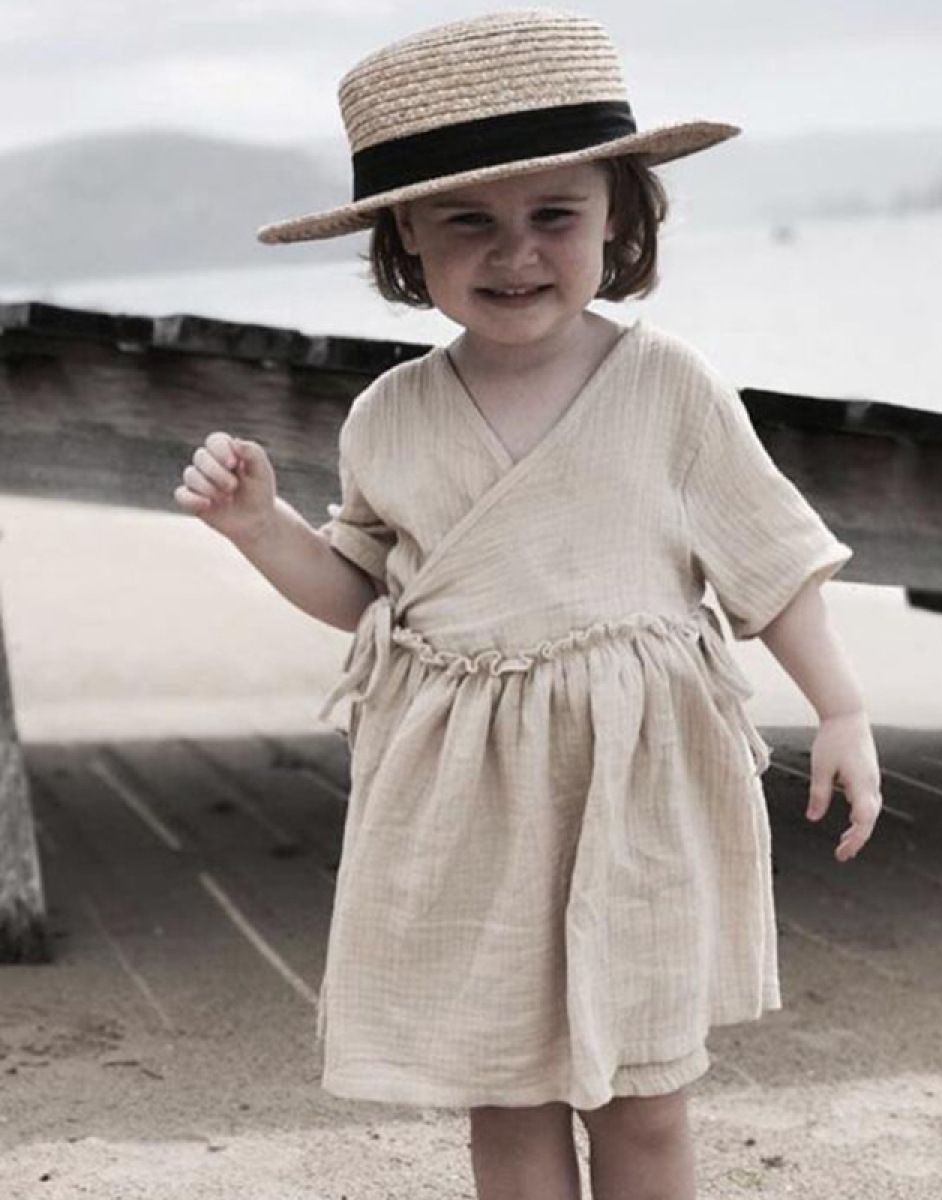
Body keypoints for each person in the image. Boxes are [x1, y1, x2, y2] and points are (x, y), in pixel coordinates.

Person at [174, 10, 882, 1200]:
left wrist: (843, 708)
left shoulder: (668, 385)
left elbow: (771, 562)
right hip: (465, 794)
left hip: (635, 782)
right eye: (469, 221)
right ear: (407, 236)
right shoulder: (390, 416)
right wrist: (261, 529)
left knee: (645, 1099)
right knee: (505, 1099)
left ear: (619, 217)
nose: (517, 253)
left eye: (555, 214)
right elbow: (365, 595)